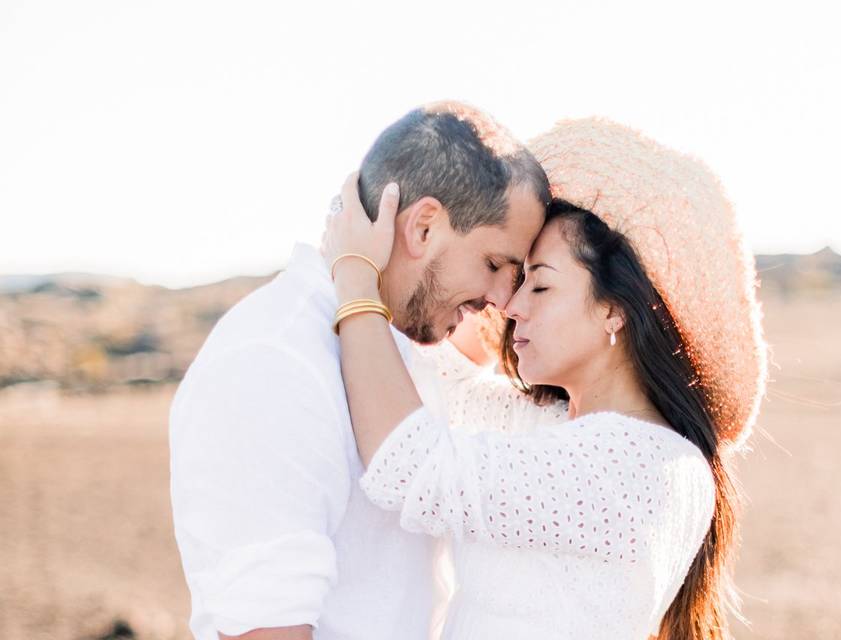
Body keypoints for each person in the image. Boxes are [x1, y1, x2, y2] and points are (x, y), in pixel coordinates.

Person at [322, 118, 769, 639]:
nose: (510, 306)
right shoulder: (556, 427)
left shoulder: (638, 463)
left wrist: (353, 274)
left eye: (540, 287)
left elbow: (409, 464)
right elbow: (448, 386)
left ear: (614, 311)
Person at [168, 102, 549, 640]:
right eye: (493, 265)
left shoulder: (393, 350)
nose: (500, 300)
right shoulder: (273, 362)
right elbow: (267, 630)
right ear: (422, 227)